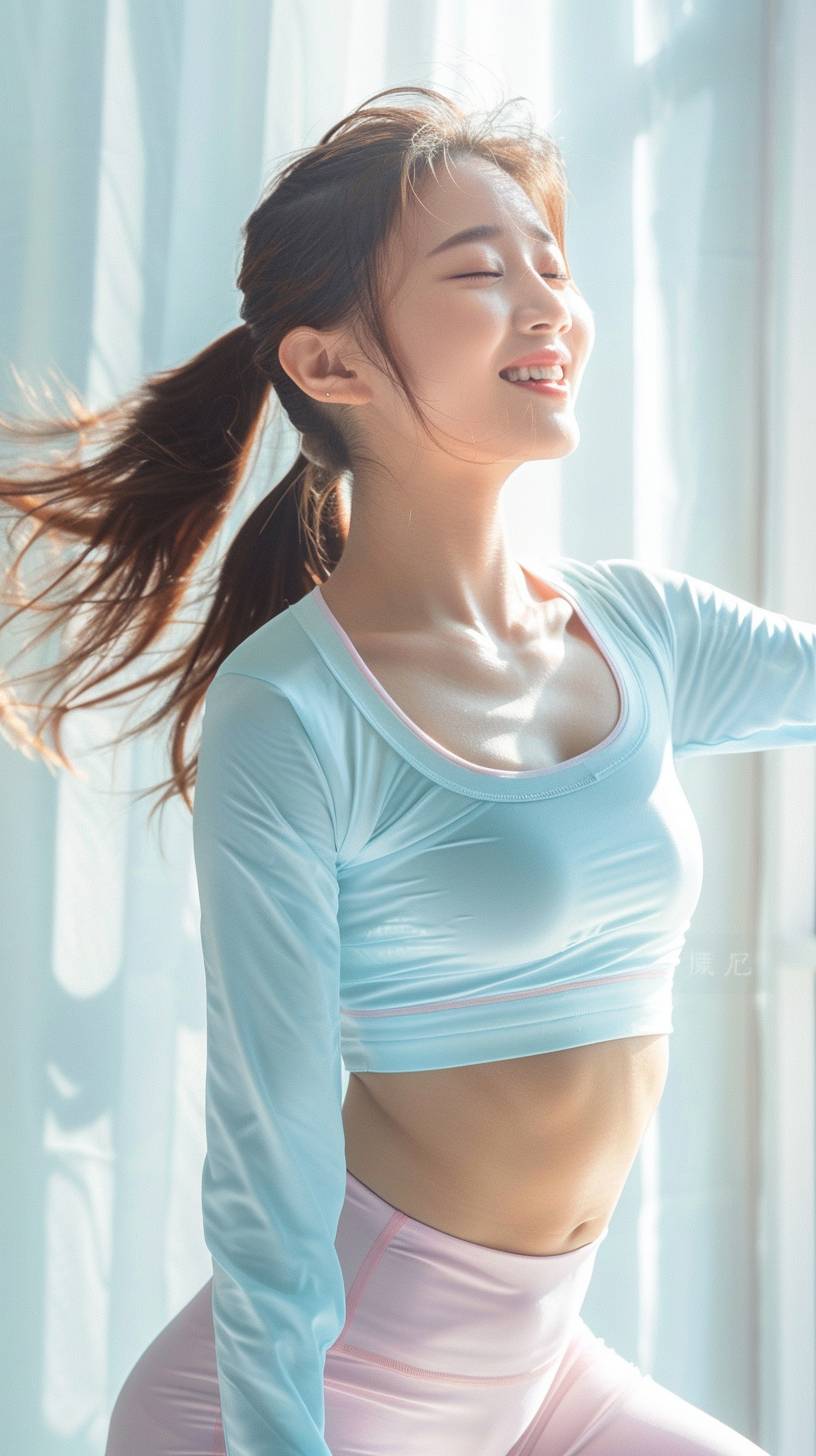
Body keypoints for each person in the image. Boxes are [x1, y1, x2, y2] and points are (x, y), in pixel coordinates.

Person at [1, 83, 803, 1455]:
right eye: (484, 274)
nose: (551, 305)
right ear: (331, 366)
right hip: (318, 1401)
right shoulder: (291, 714)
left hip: (544, 1375)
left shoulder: (644, 632)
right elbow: (269, 1147)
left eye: (554, 263)